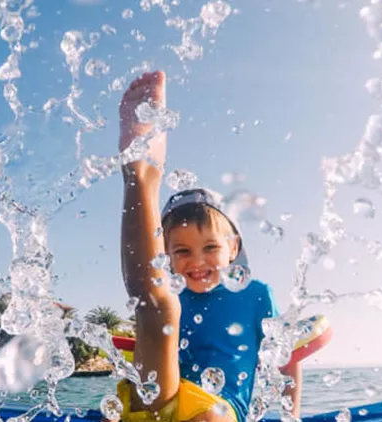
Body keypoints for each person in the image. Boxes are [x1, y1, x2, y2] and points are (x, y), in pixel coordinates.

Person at [116, 70, 301, 422]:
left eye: (210, 248)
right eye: (182, 251)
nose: (197, 262)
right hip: (164, 397)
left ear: (233, 248)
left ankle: (142, 173)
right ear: (165, 255)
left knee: (210, 417)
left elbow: (286, 360)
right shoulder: (174, 293)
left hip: (221, 410)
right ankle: (138, 173)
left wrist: (294, 416)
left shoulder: (256, 294)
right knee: (155, 307)